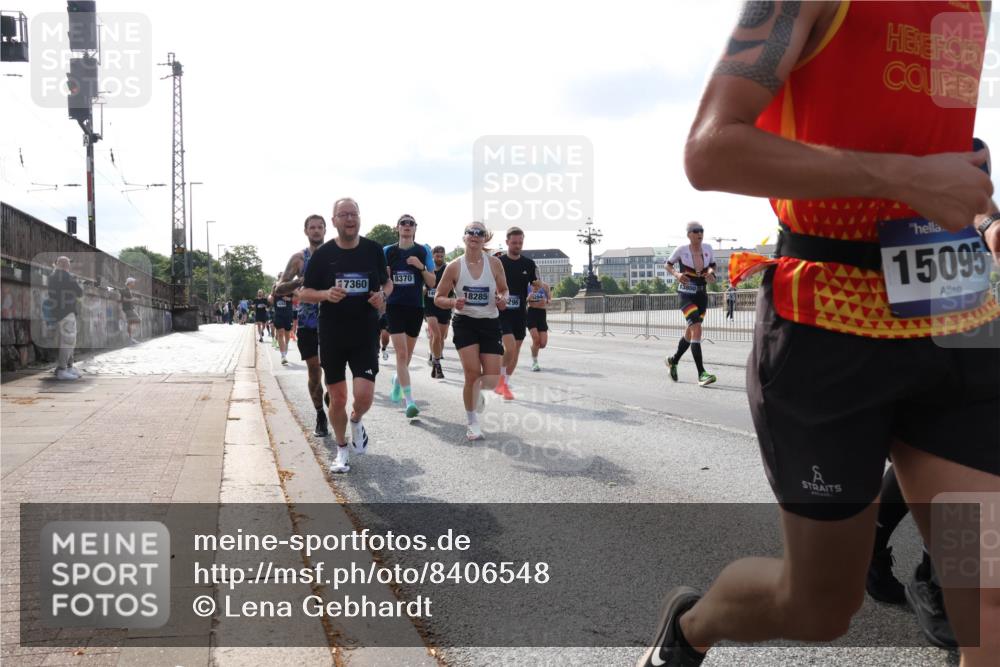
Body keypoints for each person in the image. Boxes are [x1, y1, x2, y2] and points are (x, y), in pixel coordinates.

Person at [638, 3, 1000, 667]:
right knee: (819, 605)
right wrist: (906, 176)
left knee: (990, 594)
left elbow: (927, 137)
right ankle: (691, 625)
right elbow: (710, 150)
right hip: (826, 316)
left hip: (950, 311)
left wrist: (967, 179)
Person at [300, 198, 391, 473]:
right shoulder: (322, 255)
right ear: (335, 221)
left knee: (363, 396)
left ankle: (356, 420)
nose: (349, 219)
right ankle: (341, 450)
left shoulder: (374, 250)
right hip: (333, 334)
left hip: (364, 332)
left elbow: (388, 281)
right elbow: (304, 292)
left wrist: (382, 296)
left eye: (353, 214)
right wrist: (326, 294)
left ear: (359, 218)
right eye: (343, 215)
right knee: (337, 397)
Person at [434, 222, 509, 441]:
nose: (475, 236)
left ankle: (477, 395)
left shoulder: (494, 263)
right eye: (471, 232)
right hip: (465, 321)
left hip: (490, 323)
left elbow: (504, 289)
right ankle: (472, 423)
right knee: (472, 373)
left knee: (493, 379)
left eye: (480, 233)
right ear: (464, 237)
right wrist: (452, 302)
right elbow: (438, 297)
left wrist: (502, 299)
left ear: (484, 238)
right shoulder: (454, 266)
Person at [274, 214, 329, 435]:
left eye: (320, 227)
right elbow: (279, 288)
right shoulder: (299, 258)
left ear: (326, 230)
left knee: (333, 374)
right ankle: (320, 414)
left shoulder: (335, 253)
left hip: (333, 321)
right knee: (314, 373)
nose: (316, 231)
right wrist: (299, 281)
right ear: (306, 231)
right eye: (312, 227)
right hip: (308, 323)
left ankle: (330, 398)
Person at [383, 214, 436, 419]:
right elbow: (380, 279)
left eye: (410, 223)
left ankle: (398, 379)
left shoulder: (423, 251)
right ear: (397, 228)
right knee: (402, 354)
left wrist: (420, 266)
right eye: (403, 223)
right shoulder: (387, 251)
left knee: (408, 356)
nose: (407, 226)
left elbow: (432, 282)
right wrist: (384, 276)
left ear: (415, 228)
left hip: (415, 307)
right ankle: (410, 402)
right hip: (394, 306)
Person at [664, 222, 718, 387]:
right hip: (686, 294)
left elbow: (713, 265)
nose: (700, 233)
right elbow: (667, 264)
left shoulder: (708, 248)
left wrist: (710, 272)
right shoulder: (682, 249)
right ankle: (701, 373)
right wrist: (677, 274)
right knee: (697, 329)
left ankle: (673, 360)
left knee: (690, 332)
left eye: (702, 230)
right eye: (696, 231)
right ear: (689, 234)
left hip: (702, 294)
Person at [495, 227, 541, 400]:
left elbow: (535, 283)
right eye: (514, 242)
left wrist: (537, 290)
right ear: (507, 242)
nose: (517, 245)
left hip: (520, 313)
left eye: (520, 242)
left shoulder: (528, 264)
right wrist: (497, 297)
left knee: (515, 351)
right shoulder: (498, 261)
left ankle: (504, 383)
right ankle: (499, 380)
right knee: (510, 347)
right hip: (502, 312)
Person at [47, 256, 83, 381]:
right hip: (67, 312)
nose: (69, 266)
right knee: (68, 340)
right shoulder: (66, 276)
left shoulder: (52, 276)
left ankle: (68, 367)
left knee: (68, 340)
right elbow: (80, 292)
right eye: (68, 263)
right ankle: (63, 369)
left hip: (58, 312)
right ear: (65, 265)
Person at [424, 245, 453, 379]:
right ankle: (436, 362)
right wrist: (423, 289)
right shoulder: (428, 269)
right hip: (430, 307)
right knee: (435, 335)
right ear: (432, 256)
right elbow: (422, 284)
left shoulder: (448, 269)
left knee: (441, 337)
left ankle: (434, 353)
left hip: (444, 306)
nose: (440, 258)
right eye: (437, 256)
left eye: (442, 256)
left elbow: (456, 283)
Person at [526, 280, 551, 372]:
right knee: (536, 339)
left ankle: (534, 347)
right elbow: (524, 300)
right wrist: (529, 297)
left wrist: (547, 300)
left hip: (542, 314)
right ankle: (535, 362)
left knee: (543, 344)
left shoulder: (545, 286)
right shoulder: (527, 286)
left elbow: (549, 299)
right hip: (531, 313)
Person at [119, 277, 141, 344]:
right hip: (128, 309)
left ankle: (130, 338)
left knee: (133, 322)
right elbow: (123, 299)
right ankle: (130, 337)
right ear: (130, 283)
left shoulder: (128, 290)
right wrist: (132, 299)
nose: (134, 284)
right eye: (133, 282)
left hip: (131, 309)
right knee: (137, 320)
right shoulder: (124, 290)